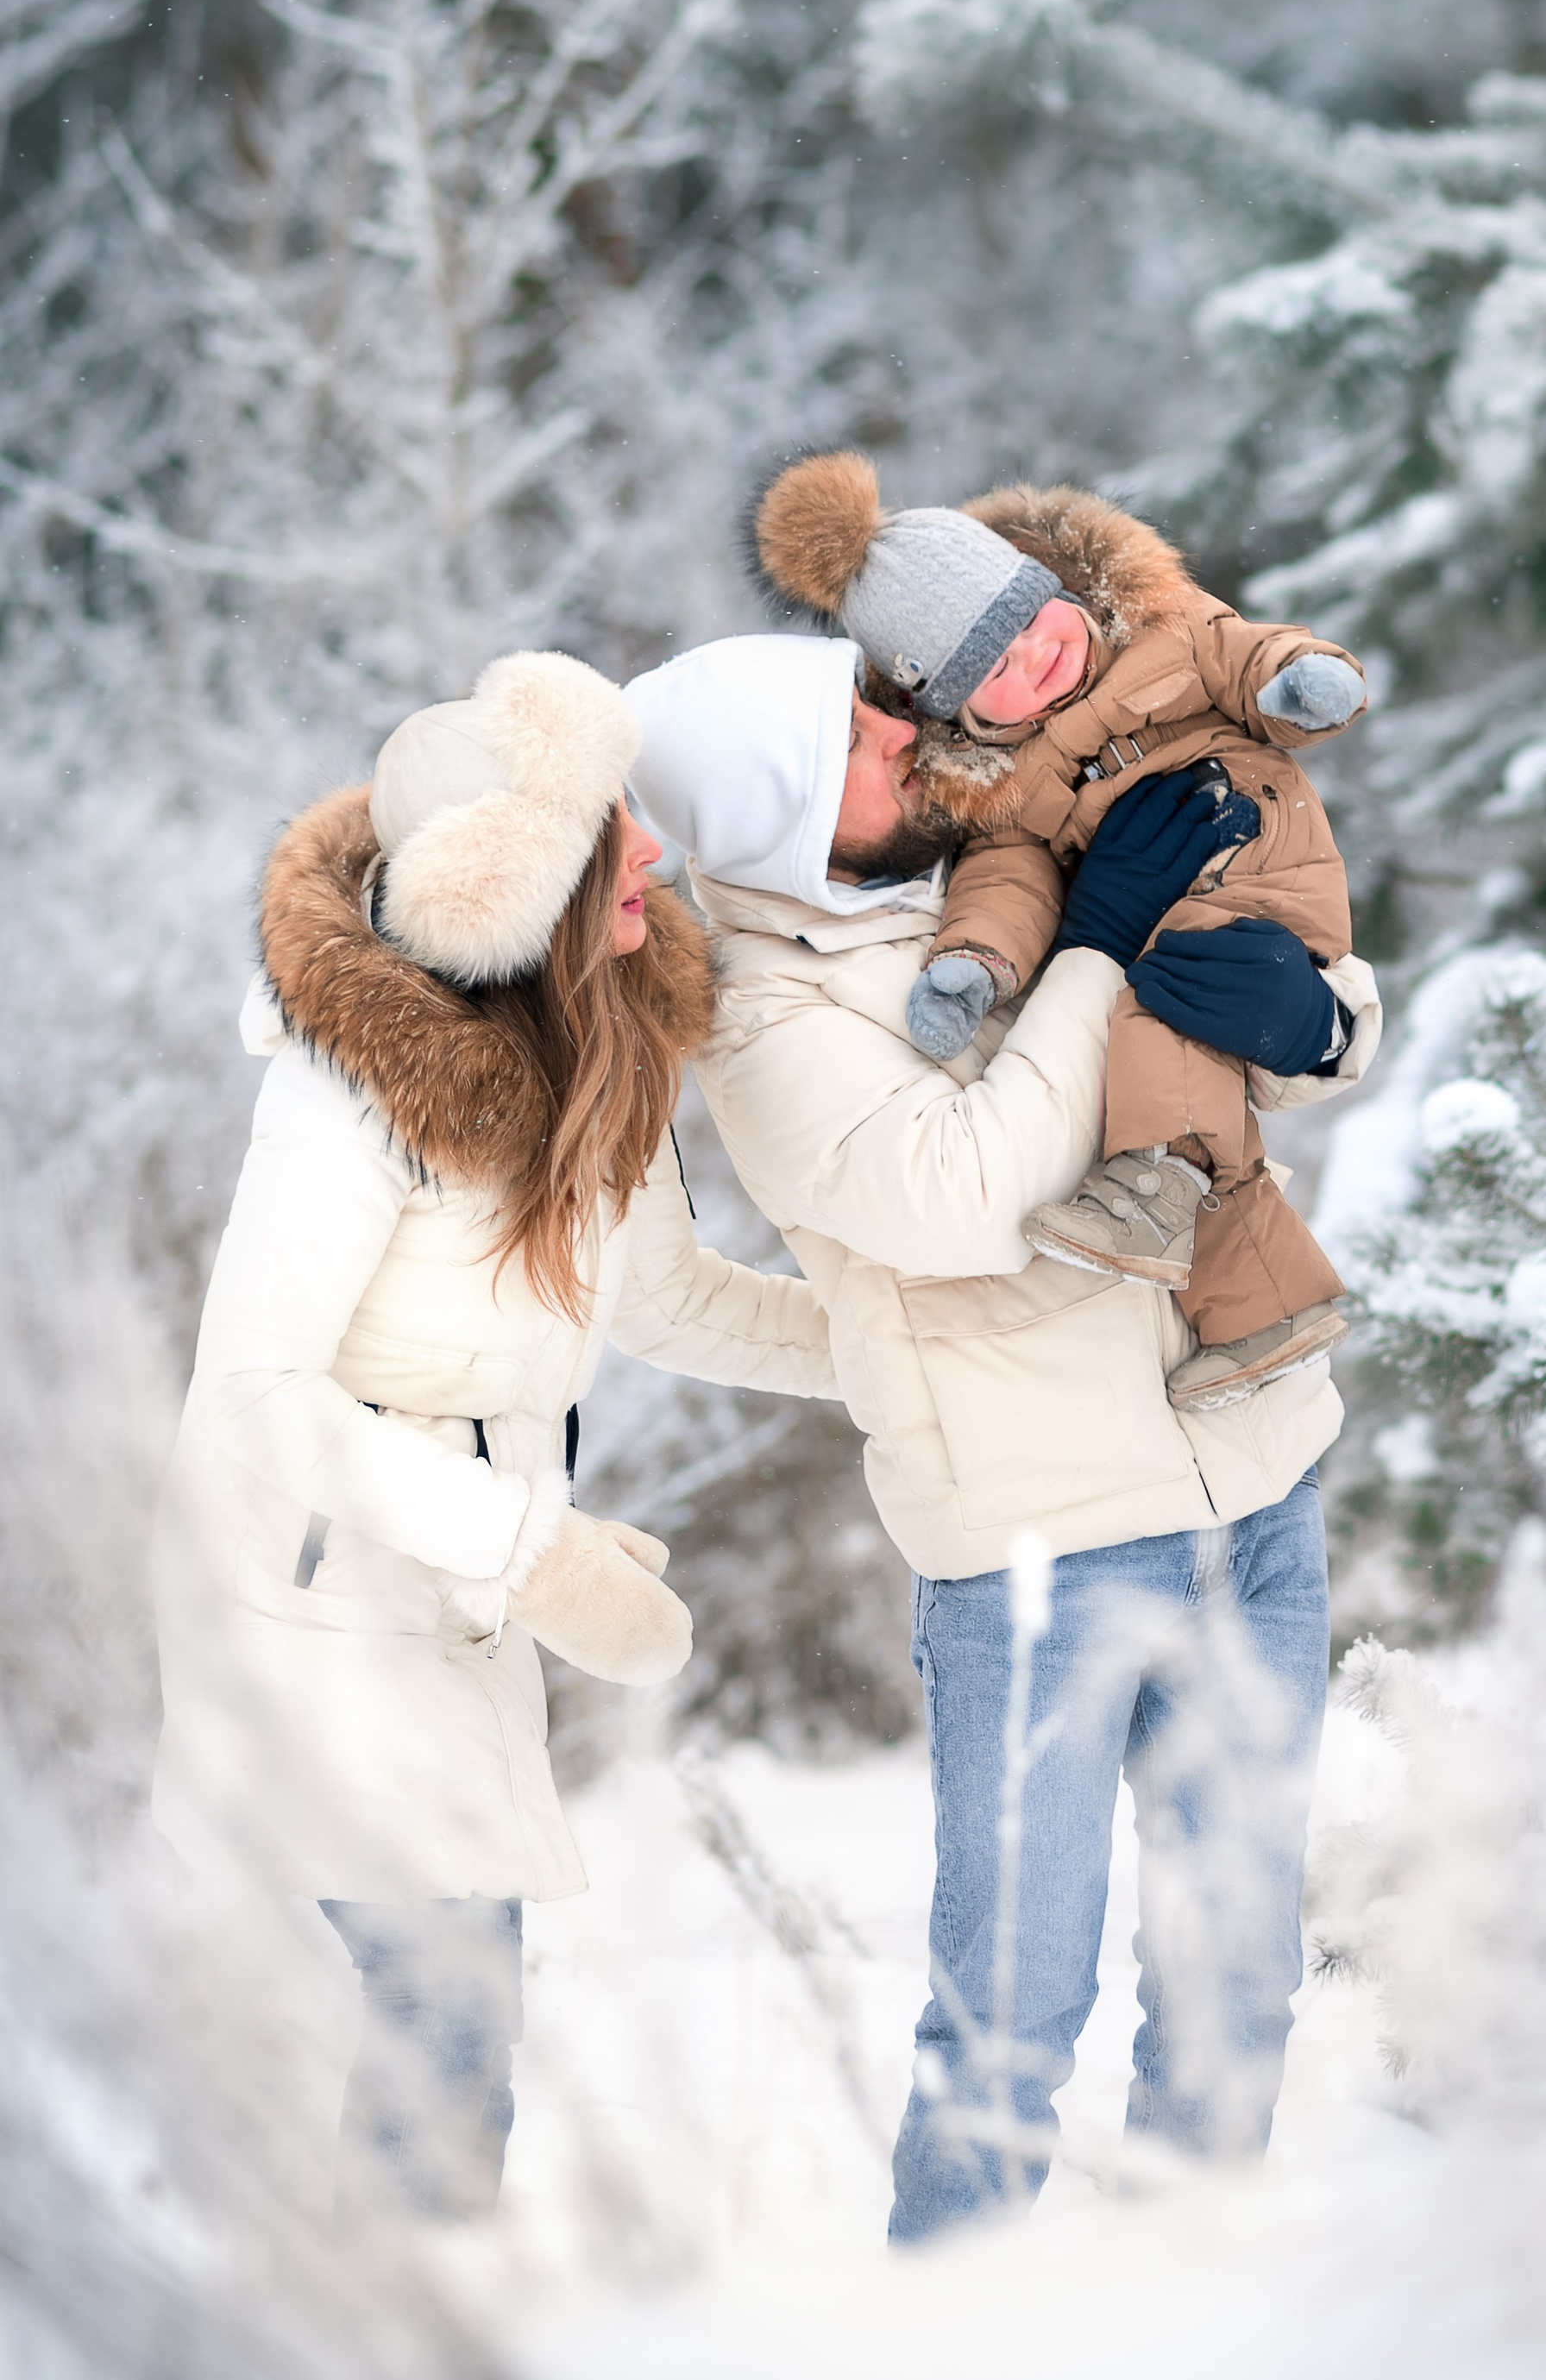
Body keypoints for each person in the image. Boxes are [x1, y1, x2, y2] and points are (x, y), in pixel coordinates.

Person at [622, 627, 1381, 2245]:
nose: (912, 739)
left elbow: (1247, 999)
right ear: (773, 812)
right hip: (1042, 1555)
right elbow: (964, 1196)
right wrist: (1099, 951)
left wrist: (1316, 1021)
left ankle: (1187, 2309)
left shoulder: (1003, 844)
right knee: (1012, 2022)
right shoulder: (768, 1027)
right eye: (864, 742)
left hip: (1251, 1476)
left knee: (1239, 1974)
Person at [150, 650, 839, 2220]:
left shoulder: (602, 1040)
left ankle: (378, 2293)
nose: (653, 851)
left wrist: (891, 1353)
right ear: (513, 880)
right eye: (612, 831)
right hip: (311, 1592)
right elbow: (253, 1392)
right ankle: (370, 2311)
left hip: (450, 1578)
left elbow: (667, 1296)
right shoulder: (352, 1089)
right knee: (439, 2002)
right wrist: (532, 1547)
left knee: (456, 2013)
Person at [749, 453, 1369, 1410]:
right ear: (946, 710)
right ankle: (1250, 1300)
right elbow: (1007, 876)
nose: (1034, 659)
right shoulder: (988, 795)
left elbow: (1246, 655)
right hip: (1167, 944)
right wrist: (977, 961)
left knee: (1156, 1024)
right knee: (1150, 1029)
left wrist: (1301, 682)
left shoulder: (1163, 629)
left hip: (1256, 859)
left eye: (1030, 625)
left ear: (1054, 586)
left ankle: (1166, 1195)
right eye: (993, 670)